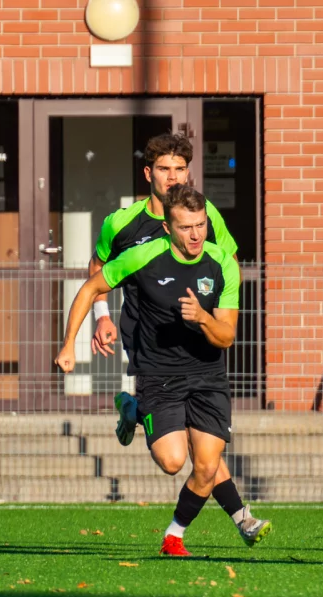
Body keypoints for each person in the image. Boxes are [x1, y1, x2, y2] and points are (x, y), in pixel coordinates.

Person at [56, 184, 264, 556]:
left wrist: (203, 318)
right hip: (158, 374)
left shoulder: (222, 264)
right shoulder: (142, 256)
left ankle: (173, 537)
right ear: (168, 228)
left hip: (208, 376)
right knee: (172, 461)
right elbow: (90, 288)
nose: (196, 234)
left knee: (207, 467)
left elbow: (227, 336)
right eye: (186, 227)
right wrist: (69, 342)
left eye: (200, 225)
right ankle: (135, 407)